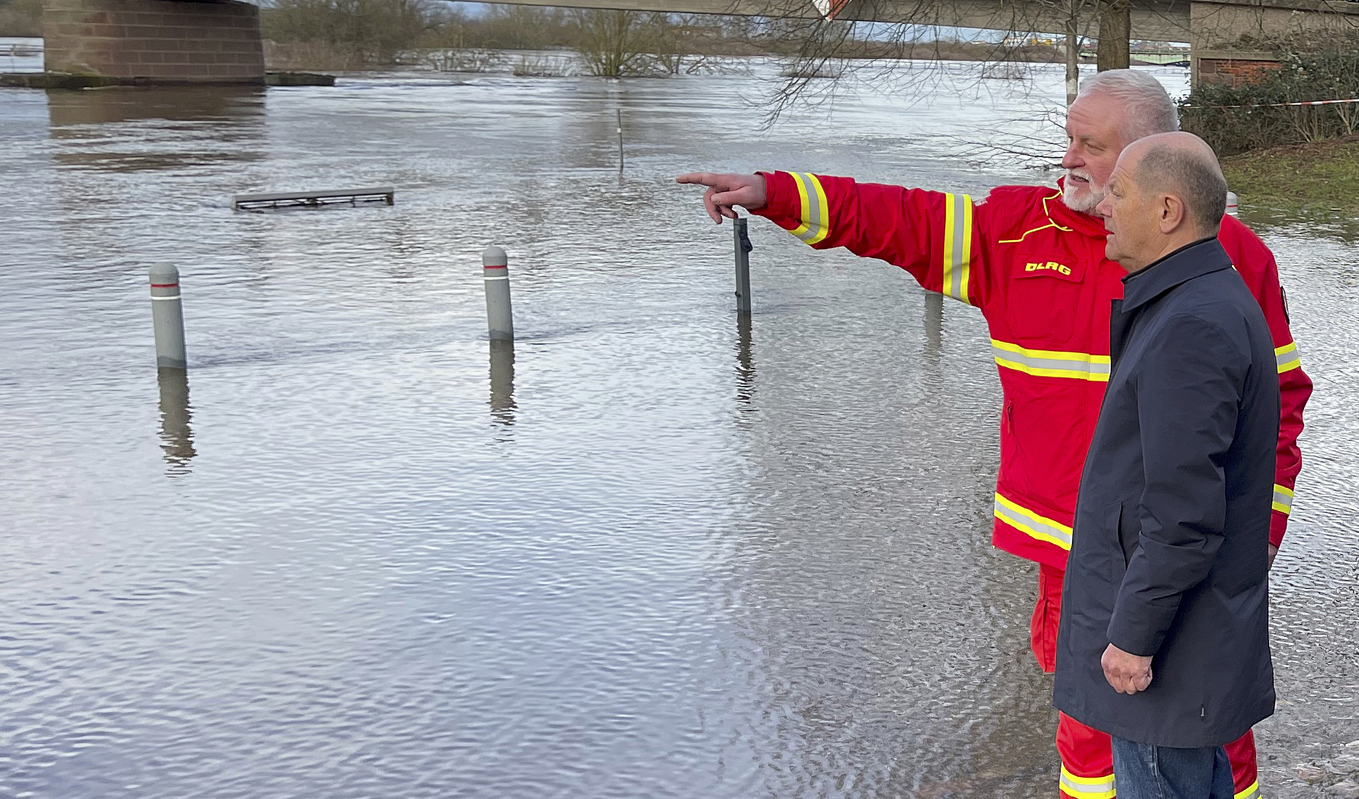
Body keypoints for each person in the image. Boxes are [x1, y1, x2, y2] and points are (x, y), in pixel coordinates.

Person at [677, 69, 1310, 799]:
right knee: (1088, 735)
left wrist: (1260, 534)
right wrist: (775, 193)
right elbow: (895, 219)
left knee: (1210, 728)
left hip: (1185, 555)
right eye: (1068, 139)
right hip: (1070, 552)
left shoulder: (1227, 257)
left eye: (1091, 146)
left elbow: (1279, 403)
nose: (1069, 159)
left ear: (1151, 159)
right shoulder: (1013, 230)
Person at [1053, 131, 1279, 799]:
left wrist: (1132, 636)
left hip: (1171, 648)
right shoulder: (1197, 300)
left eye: (1118, 193)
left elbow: (1183, 514)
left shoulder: (1192, 324)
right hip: (1186, 634)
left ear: (1167, 210)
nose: (1102, 206)